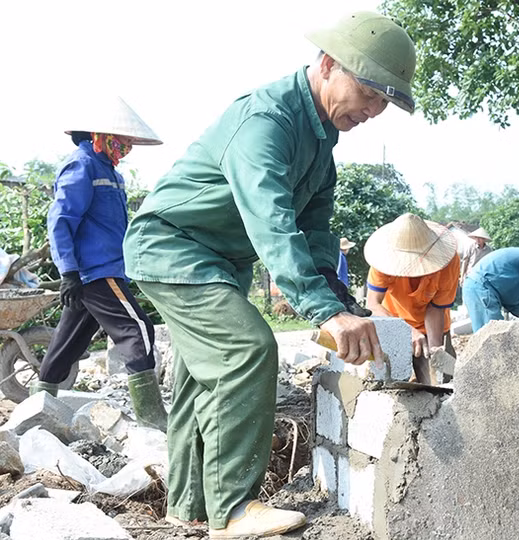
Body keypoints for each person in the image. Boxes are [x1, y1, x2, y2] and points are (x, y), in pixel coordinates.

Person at [122, 12, 416, 538]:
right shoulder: (267, 121)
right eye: (368, 91)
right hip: (171, 247)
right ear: (327, 65)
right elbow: (273, 225)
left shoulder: (322, 148)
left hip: (217, 263)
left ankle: (188, 508)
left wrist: (343, 307)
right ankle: (234, 510)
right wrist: (325, 312)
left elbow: (318, 238)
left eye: (384, 102)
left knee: (200, 380)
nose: (374, 110)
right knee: (248, 349)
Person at [37, 97, 168, 432]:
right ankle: (152, 419)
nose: (125, 147)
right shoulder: (83, 166)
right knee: (138, 330)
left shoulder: (108, 170)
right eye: (120, 141)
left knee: (68, 342)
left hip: (98, 271)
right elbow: (61, 219)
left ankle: (38, 410)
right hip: (96, 271)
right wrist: (68, 271)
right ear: (99, 135)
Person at [364, 213, 459, 384]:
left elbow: (436, 308)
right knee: (389, 383)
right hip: (394, 322)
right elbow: (372, 303)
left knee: (443, 383)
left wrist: (435, 351)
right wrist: (405, 331)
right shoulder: (383, 263)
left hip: (435, 327)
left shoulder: (448, 263)